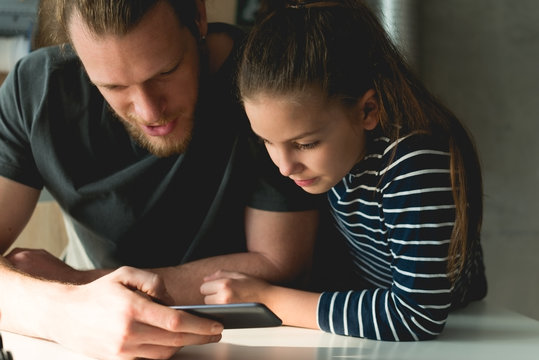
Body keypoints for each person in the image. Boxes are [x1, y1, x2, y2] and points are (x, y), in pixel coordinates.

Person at [0, 0, 321, 359]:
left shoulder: (266, 79)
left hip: (260, 343)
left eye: (165, 72)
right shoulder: (36, 90)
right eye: (113, 86)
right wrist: (61, 309)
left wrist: (77, 284)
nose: (149, 111)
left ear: (198, 17)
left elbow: (281, 264)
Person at [201, 0, 488, 341]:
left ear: (368, 110)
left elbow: (416, 317)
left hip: (457, 331)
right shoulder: (341, 157)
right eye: (267, 141)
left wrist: (267, 298)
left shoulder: (414, 162)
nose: (284, 167)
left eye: (305, 144)